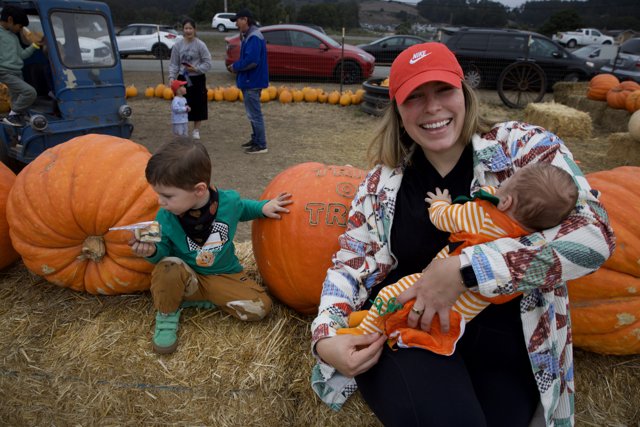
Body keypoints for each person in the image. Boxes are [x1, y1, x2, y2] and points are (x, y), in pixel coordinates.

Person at [310, 42, 615, 426]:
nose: (433, 107)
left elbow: (595, 236)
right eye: (415, 97)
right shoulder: (381, 184)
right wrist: (324, 337)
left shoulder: (523, 148)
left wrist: (465, 270)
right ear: (398, 111)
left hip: (505, 345)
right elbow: (350, 263)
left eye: (443, 91)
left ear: (464, 92)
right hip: (410, 333)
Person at [337, 163, 579, 357]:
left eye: (505, 184)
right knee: (419, 318)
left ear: (506, 202)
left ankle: (364, 331)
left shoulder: (482, 215)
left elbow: (445, 218)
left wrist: (439, 202)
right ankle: (374, 320)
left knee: (393, 294)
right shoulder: (532, 241)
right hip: (465, 311)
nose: (499, 186)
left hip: (433, 283)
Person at [130, 137, 292, 354]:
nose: (160, 201)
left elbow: (243, 208)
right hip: (187, 274)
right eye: (158, 194)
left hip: (223, 275)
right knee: (168, 265)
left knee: (261, 307)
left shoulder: (228, 202)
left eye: (167, 195)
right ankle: (168, 313)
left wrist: (263, 207)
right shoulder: (165, 216)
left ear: (199, 189)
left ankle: (201, 299)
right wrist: (151, 251)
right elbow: (163, 252)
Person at [227, 9, 269, 154]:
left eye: (237, 20)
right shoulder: (249, 35)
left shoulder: (254, 37)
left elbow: (252, 61)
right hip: (250, 80)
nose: (236, 24)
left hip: (253, 81)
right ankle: (256, 139)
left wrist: (235, 67)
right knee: (252, 114)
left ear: (245, 20)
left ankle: (261, 144)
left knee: (255, 114)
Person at [168, 18, 212, 140]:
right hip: (183, 79)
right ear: (183, 30)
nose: (188, 31)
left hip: (197, 78)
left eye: (190, 28)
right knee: (183, 103)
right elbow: (174, 64)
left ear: (195, 29)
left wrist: (196, 69)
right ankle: (183, 128)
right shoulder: (178, 45)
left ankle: (196, 130)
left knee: (198, 104)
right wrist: (172, 77)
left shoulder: (200, 45)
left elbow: (208, 63)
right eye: (186, 28)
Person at [0, 5, 43, 127]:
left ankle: (14, 128)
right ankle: (13, 116)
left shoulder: (13, 37)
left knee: (16, 101)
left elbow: (22, 55)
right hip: (5, 73)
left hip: (17, 73)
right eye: (20, 26)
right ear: (10, 20)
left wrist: (34, 46)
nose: (21, 29)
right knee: (30, 93)